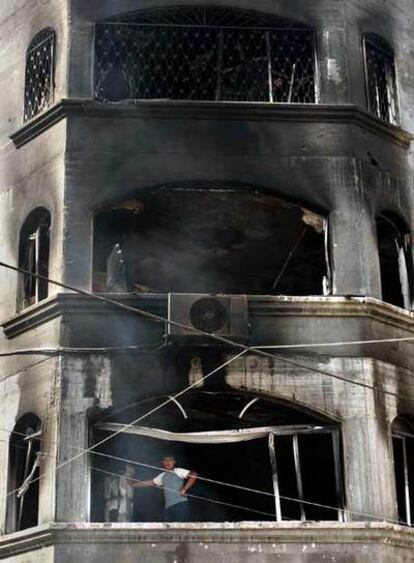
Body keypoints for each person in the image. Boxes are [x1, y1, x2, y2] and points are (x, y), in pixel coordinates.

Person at [129, 455, 198, 522]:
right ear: (163, 462)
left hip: (180, 504)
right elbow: (150, 482)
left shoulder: (178, 471)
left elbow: (194, 474)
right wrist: (133, 485)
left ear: (174, 462)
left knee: (183, 528)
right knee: (168, 530)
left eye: (170, 460)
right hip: (168, 507)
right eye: (165, 460)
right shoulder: (162, 475)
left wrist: (185, 489)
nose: (168, 462)